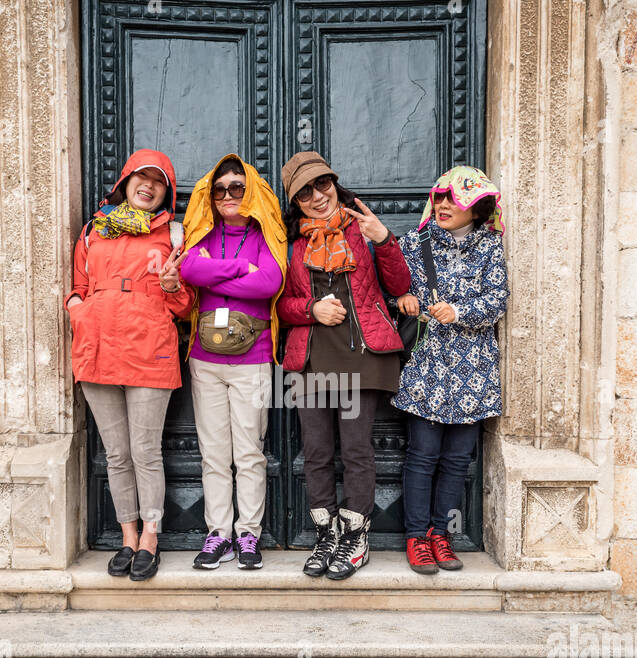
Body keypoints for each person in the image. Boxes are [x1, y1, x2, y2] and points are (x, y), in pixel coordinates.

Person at [276, 151, 411, 580]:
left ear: (334, 182)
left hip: (361, 356)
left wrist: (385, 240)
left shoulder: (364, 229)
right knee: (316, 452)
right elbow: (279, 304)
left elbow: (400, 287)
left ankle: (356, 536)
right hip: (311, 359)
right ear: (295, 203)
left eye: (322, 185)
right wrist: (311, 309)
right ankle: (325, 534)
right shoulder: (291, 242)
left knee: (355, 450)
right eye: (305, 194)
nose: (317, 197)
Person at [65, 149, 193, 581]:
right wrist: (79, 310)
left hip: (149, 352)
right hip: (97, 349)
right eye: (142, 177)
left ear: (166, 193)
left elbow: (184, 306)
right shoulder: (93, 231)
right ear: (125, 182)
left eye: (159, 181)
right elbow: (78, 285)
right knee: (117, 454)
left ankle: (151, 537)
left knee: (145, 452)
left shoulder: (174, 236)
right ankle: (126, 536)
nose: (149, 186)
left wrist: (174, 287)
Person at [391, 166, 509, 574]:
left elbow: (498, 299)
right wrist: (404, 297)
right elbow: (388, 286)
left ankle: (441, 535)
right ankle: (415, 537)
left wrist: (459, 311)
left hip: (473, 367)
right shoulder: (413, 243)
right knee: (422, 455)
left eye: (453, 199)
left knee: (458, 458)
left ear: (476, 208)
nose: (442, 205)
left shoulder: (490, 247)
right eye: (439, 196)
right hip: (428, 364)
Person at [179, 154, 287, 570]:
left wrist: (216, 272)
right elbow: (190, 269)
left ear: (251, 192)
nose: (228, 195)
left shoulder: (266, 235)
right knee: (213, 452)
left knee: (248, 452)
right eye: (220, 189)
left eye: (237, 188)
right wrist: (241, 268)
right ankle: (217, 533)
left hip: (252, 359)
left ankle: (248, 535)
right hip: (205, 361)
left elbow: (270, 282)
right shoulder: (203, 232)